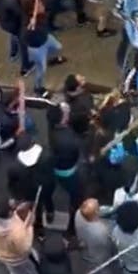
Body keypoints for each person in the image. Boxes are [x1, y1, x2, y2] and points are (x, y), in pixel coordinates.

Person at [7, 132, 55, 239]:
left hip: (29, 193)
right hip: (46, 188)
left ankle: (39, 229)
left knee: (35, 209)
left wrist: (15, 196)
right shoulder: (46, 154)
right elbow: (51, 171)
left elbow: (12, 183)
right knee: (48, 200)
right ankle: (50, 214)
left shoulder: (15, 166)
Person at [47, 102, 83, 238]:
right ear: (62, 118)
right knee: (76, 195)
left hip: (56, 166)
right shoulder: (70, 139)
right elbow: (75, 155)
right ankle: (72, 225)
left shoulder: (52, 128)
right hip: (68, 171)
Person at [22, 0, 67, 97]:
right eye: (39, 6)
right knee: (41, 70)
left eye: (40, 4)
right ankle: (38, 88)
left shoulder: (41, 15)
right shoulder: (27, 25)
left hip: (46, 38)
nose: (42, 6)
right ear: (31, 12)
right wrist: (30, 28)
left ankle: (52, 60)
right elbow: (25, 37)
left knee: (58, 47)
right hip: (37, 48)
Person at [75, 199, 117, 274]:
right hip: (101, 262)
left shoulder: (78, 215)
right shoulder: (102, 232)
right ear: (96, 213)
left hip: (86, 256)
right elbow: (111, 247)